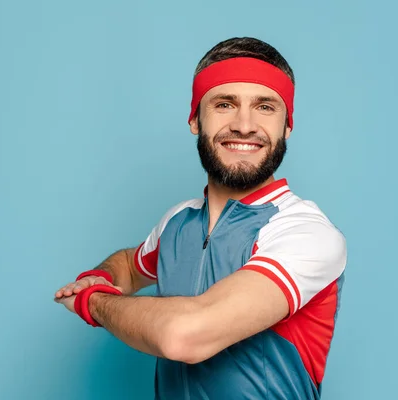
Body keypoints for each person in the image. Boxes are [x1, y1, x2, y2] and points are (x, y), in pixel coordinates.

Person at [55, 37, 347, 400]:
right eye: (224, 104)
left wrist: (94, 303)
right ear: (196, 119)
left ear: (287, 127)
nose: (244, 125)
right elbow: (130, 267)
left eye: (265, 107)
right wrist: (99, 276)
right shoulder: (179, 221)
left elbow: (184, 336)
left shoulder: (305, 232)